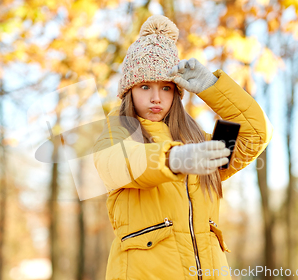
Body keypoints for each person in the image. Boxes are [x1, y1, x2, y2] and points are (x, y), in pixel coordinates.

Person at [93, 15, 274, 280]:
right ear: (129, 90)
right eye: (145, 86)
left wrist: (211, 87)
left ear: (176, 92)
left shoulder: (200, 143)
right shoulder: (117, 133)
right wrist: (173, 159)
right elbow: (120, 163)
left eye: (166, 88)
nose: (156, 98)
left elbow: (255, 134)